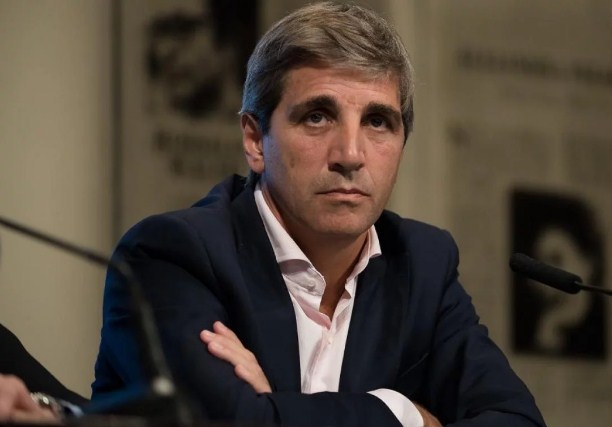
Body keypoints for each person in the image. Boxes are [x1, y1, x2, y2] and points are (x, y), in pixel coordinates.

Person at [93, 3, 546, 426]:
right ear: (255, 140)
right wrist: (405, 413)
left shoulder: (423, 265)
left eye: (377, 122)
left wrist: (276, 407)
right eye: (317, 117)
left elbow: (516, 420)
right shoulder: (173, 255)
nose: (350, 155)